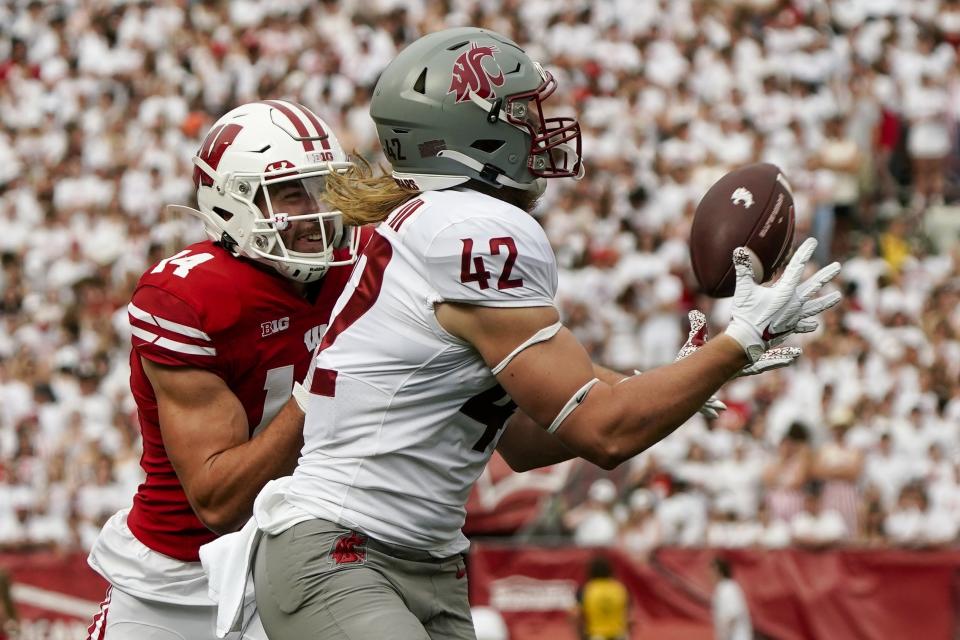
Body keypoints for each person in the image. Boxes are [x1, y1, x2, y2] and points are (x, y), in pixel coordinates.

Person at [214, 27, 840, 640]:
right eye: (519, 113)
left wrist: (670, 383)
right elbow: (604, 431)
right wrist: (739, 342)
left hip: (418, 562)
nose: (538, 130)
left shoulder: (435, 224)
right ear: (469, 129)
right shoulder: (471, 228)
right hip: (345, 551)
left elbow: (521, 438)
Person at [85, 100, 362, 640]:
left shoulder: (361, 266)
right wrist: (317, 389)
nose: (316, 211)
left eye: (321, 187)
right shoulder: (191, 297)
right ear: (235, 203)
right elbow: (219, 500)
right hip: (174, 577)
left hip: (309, 560)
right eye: (291, 192)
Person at [573, 555, 630, 640]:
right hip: (619, 635)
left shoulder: (586, 589)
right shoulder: (620, 588)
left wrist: (580, 636)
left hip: (596, 636)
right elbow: (628, 614)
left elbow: (575, 616)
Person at [711, 557, 752, 640]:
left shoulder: (728, 589)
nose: (708, 575)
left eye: (711, 571)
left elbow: (732, 615)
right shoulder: (723, 588)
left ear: (718, 571)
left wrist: (724, 637)